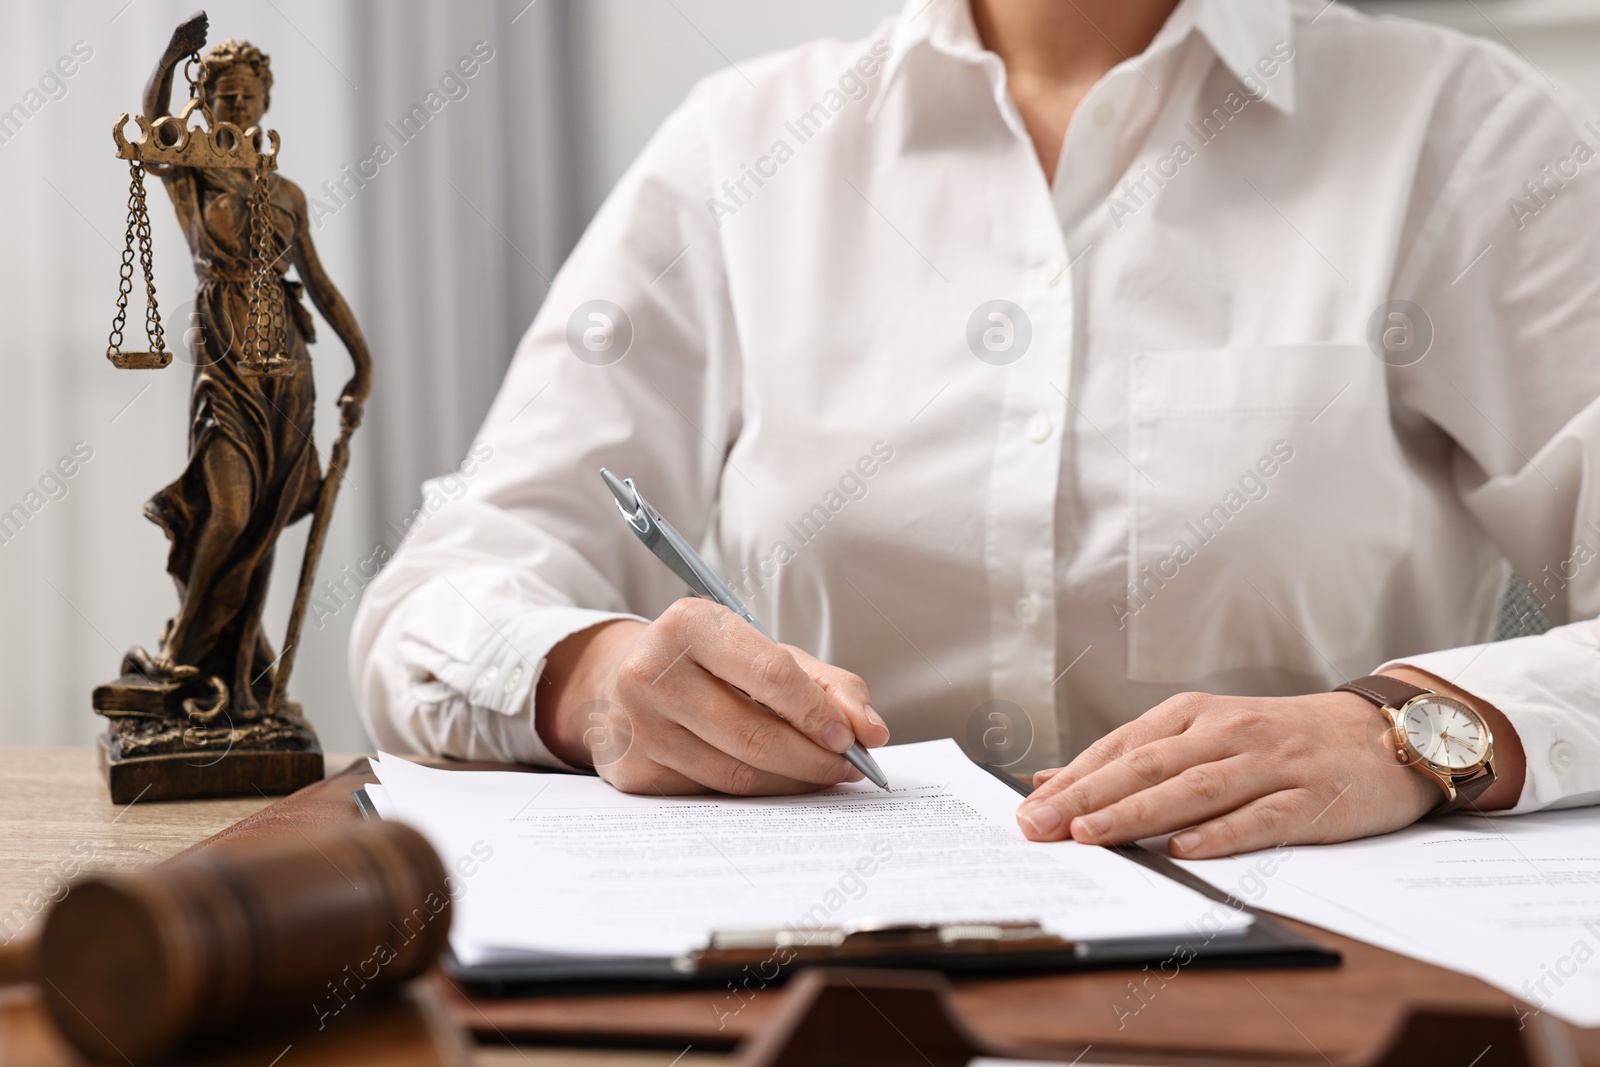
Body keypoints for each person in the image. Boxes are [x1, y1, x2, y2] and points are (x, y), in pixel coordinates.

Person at [352, 0, 1600, 858]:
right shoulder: (746, 145)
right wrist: (593, 681)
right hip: (825, 987)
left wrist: (1407, 728)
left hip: (1320, 987)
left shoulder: (1463, 136)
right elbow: (437, 598)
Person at [138, 16, 372, 715]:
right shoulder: (192, 178)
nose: (235, 107)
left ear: (264, 102)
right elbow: (151, 128)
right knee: (231, 510)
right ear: (204, 101)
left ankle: (242, 677)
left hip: (287, 373)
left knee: (265, 520)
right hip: (226, 361)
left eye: (246, 96)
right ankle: (183, 649)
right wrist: (173, 57)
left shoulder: (287, 193)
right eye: (222, 95)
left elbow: (323, 287)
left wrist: (363, 363)